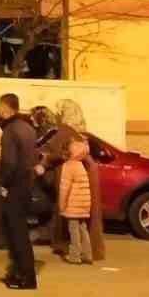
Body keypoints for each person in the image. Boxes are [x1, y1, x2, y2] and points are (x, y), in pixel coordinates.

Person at [37, 99, 104, 262]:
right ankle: (89, 252)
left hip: (69, 175)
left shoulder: (64, 130)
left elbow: (54, 152)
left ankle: (70, 249)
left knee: (70, 216)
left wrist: (43, 161)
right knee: (84, 221)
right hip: (86, 175)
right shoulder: (81, 132)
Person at [0, 93, 38, 290]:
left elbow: (10, 163)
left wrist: (3, 184)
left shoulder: (11, 130)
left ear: (5, 107)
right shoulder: (27, 127)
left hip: (15, 186)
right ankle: (17, 273)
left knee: (16, 233)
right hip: (26, 184)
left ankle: (25, 277)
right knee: (18, 231)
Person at [57, 137, 94, 265]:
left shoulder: (68, 166)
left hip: (73, 205)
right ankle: (87, 254)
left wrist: (62, 206)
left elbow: (64, 188)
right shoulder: (80, 165)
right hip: (83, 204)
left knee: (73, 230)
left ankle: (75, 255)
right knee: (83, 229)